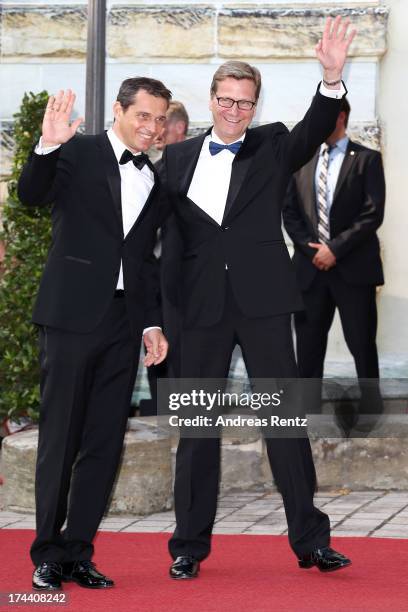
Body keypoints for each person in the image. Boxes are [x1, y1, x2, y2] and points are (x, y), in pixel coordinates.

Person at [159, 16, 356, 579]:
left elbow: (314, 126)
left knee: (285, 424)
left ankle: (310, 541)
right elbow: (170, 246)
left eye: (246, 103)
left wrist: (332, 78)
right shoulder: (176, 160)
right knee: (197, 431)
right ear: (213, 100)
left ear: (255, 106)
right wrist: (166, 319)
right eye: (227, 100)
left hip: (265, 304)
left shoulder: (271, 146)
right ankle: (188, 548)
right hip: (201, 311)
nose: (235, 110)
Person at [17, 77, 171, 590]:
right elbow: (31, 195)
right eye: (143, 116)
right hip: (71, 318)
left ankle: (79, 551)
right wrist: (47, 145)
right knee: (60, 439)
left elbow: (143, 263)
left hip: (123, 323)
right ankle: (46, 553)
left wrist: (151, 323)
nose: (151, 128)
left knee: (105, 442)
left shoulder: (154, 178)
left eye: (159, 119)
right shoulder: (77, 152)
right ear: (119, 111)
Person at [282, 98, 385, 426]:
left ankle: (371, 411)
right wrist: (312, 250)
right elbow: (289, 211)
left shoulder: (367, 159)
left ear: (340, 116)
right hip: (310, 271)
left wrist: (335, 249)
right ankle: (308, 412)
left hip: (353, 270)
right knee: (309, 347)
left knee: (361, 343)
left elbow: (372, 213)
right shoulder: (302, 161)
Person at [139, 101, 190, 415]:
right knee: (154, 344)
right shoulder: (151, 167)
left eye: (163, 124)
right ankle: (161, 411)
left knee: (184, 350)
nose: (156, 131)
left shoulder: (195, 166)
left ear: (179, 128)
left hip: (185, 278)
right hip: (151, 275)